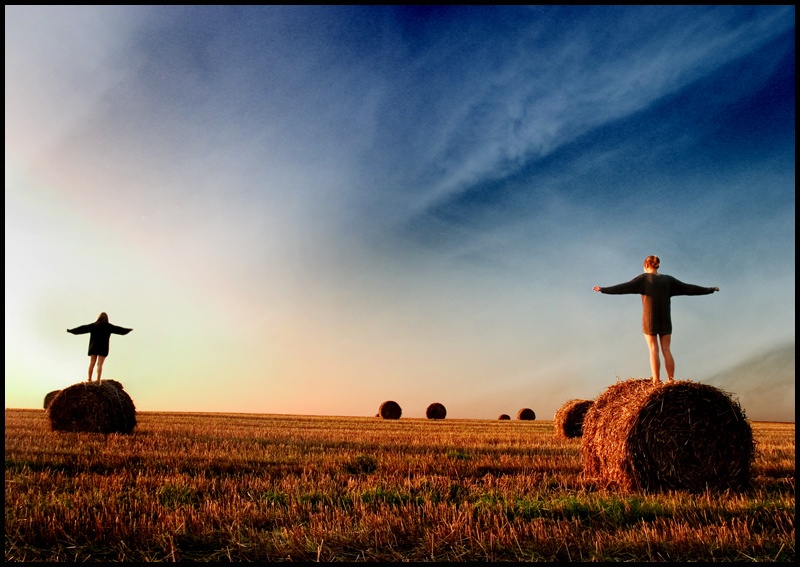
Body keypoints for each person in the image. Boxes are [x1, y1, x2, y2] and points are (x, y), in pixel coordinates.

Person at [593, 255, 719, 385]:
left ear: (646, 266)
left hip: (649, 319)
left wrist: (603, 289)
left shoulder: (643, 279)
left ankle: (657, 380)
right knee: (666, 349)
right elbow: (690, 288)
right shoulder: (669, 280)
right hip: (665, 318)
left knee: (653, 349)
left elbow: (623, 287)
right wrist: (710, 289)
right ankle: (671, 380)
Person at [67, 312, 133, 382]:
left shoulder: (94, 325)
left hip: (94, 346)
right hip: (103, 347)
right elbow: (120, 330)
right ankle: (98, 380)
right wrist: (128, 330)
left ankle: (89, 379)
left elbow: (82, 328)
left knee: (92, 363)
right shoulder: (109, 326)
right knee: (100, 364)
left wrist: (71, 331)